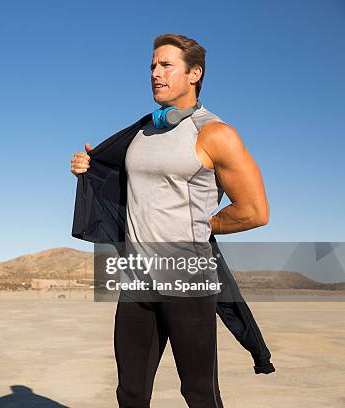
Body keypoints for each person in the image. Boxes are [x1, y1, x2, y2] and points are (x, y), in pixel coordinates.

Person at [70, 33, 270, 407]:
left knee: (198, 393)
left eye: (166, 65)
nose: (155, 74)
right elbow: (116, 177)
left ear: (194, 74)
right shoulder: (141, 132)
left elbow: (255, 210)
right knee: (130, 392)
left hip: (188, 281)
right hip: (137, 280)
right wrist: (87, 167)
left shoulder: (215, 134)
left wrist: (203, 227)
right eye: (152, 66)